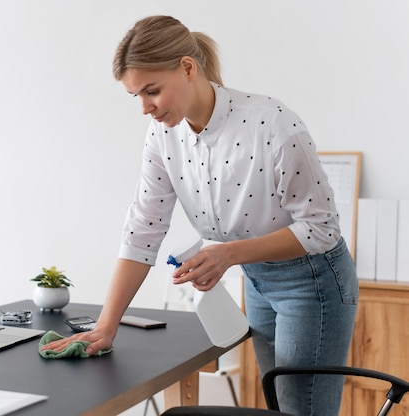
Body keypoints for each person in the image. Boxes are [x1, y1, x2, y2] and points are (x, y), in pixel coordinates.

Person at [41, 15, 358, 416]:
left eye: (151, 91)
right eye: (135, 95)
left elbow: (322, 229)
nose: (144, 108)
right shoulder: (162, 135)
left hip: (313, 280)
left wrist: (228, 254)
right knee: (279, 407)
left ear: (187, 67)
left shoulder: (272, 124)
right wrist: (106, 326)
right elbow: (143, 230)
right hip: (259, 278)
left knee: (301, 411)